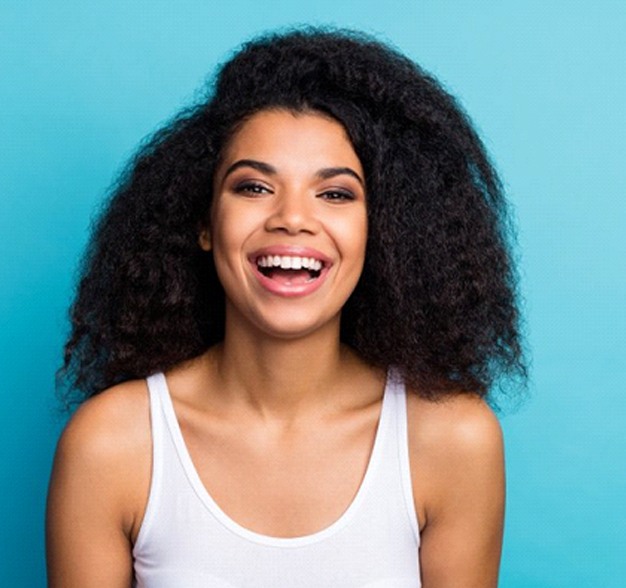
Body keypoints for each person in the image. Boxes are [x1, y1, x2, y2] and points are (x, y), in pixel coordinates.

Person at [46, 28, 525, 588]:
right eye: (253, 187)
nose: (292, 218)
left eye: (336, 193)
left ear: (384, 231)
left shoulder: (451, 441)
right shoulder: (111, 445)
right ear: (203, 223)